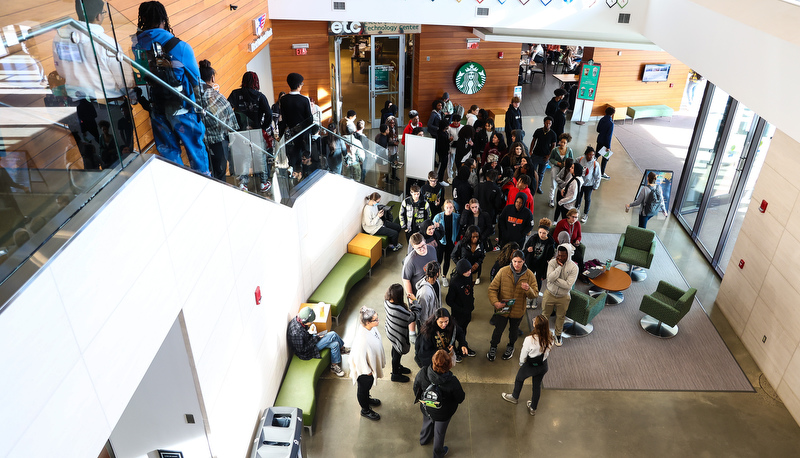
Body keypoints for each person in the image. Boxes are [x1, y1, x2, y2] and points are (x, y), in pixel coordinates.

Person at [134, 1, 209, 175]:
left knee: (168, 152)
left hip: (157, 108)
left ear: (143, 18)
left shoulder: (137, 46)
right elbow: (197, 82)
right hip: (183, 109)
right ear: (163, 19)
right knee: (195, 150)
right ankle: (205, 183)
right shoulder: (180, 47)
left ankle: (177, 185)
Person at [413, 349, 465, 458]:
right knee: (439, 433)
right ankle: (438, 453)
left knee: (427, 422)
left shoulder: (423, 372)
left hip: (426, 407)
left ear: (433, 361)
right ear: (449, 365)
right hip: (443, 414)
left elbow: (416, 387)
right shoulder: (452, 381)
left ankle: (424, 439)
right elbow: (460, 398)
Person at [487, 250, 538, 361]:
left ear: (524, 261)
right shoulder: (503, 271)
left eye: (519, 262)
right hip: (503, 306)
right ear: (511, 260)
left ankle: (510, 346)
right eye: (515, 261)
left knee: (513, 331)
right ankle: (493, 346)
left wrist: (528, 289)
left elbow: (535, 294)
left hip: (518, 309)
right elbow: (492, 288)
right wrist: (495, 302)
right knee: (498, 330)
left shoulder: (529, 275)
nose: (516, 264)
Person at [228, 71, 273, 190]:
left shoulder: (235, 93)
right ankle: (263, 183)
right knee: (260, 157)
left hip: (240, 132)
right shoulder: (260, 96)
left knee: (244, 157)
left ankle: (243, 183)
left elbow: (227, 109)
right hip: (256, 132)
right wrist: (263, 127)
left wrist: (233, 126)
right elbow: (269, 113)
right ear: (256, 82)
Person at [501, 314, 553, 416]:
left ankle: (514, 397)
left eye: (535, 321)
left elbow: (523, 354)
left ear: (536, 326)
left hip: (530, 366)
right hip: (543, 365)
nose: (533, 321)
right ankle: (533, 408)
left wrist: (521, 363)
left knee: (519, 379)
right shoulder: (550, 337)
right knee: (537, 386)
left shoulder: (530, 339)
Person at [198, 60, 238, 181]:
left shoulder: (194, 95)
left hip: (200, 141)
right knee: (220, 175)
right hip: (219, 142)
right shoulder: (217, 97)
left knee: (205, 173)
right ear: (213, 78)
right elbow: (231, 121)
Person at [286, 306, 348, 377]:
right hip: (307, 352)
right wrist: (317, 338)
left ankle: (334, 365)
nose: (311, 323)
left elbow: (305, 334)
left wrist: (312, 333)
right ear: (305, 321)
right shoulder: (296, 333)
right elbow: (303, 350)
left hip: (310, 340)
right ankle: (342, 349)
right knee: (333, 334)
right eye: (310, 322)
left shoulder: (298, 319)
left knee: (335, 344)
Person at [350, 306, 386, 421]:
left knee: (367, 389)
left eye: (377, 318)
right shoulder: (362, 340)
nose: (378, 320)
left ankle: (367, 399)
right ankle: (365, 410)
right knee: (363, 390)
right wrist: (368, 372)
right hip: (365, 372)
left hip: (370, 368)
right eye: (375, 319)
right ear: (367, 322)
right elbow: (359, 359)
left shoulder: (370, 328)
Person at [541, 244, 579, 346]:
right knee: (545, 315)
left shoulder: (574, 268)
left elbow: (568, 285)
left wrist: (554, 279)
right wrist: (559, 267)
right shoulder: (553, 263)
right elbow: (549, 278)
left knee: (560, 317)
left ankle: (558, 335)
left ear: (569, 255)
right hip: (550, 293)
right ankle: (542, 334)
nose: (561, 258)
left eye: (564, 256)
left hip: (564, 296)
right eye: (560, 255)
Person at [280, 72, 313, 179]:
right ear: (299, 85)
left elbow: (283, 119)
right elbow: (309, 119)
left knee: (293, 154)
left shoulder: (283, 99)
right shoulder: (304, 99)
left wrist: (280, 135)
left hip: (290, 133)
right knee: (303, 154)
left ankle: (292, 170)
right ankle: (302, 175)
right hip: (303, 134)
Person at [384, 284, 420, 383]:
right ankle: (395, 374)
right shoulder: (400, 311)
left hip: (391, 331)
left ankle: (398, 367)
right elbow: (415, 315)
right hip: (398, 335)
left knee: (395, 349)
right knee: (397, 353)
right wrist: (414, 300)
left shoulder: (387, 301)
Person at [446, 259, 477, 357]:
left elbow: (470, 290)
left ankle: (463, 347)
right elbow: (449, 300)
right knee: (455, 333)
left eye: (469, 270)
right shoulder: (454, 282)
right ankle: (454, 351)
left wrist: (472, 302)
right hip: (458, 314)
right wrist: (461, 309)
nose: (469, 272)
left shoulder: (469, 275)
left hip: (467, 311)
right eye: (466, 271)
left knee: (463, 330)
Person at [524, 218, 556, 300]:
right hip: (531, 262)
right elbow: (525, 248)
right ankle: (528, 294)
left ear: (548, 233)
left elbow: (550, 258)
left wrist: (545, 273)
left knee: (538, 280)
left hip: (541, 264)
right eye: (540, 232)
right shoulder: (533, 238)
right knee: (529, 278)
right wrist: (528, 249)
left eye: (544, 233)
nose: (541, 235)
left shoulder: (550, 243)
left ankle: (535, 295)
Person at [433, 200, 460, 285]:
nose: (449, 209)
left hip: (450, 242)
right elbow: (432, 228)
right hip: (441, 242)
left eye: (451, 207)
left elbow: (463, 220)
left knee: (447, 259)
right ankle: (436, 276)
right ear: (444, 207)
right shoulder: (438, 217)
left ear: (453, 208)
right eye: (447, 207)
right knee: (439, 260)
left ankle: (444, 276)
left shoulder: (456, 217)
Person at [529, 116, 558, 193]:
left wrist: (549, 155)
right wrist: (530, 151)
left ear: (551, 124)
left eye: (549, 123)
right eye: (546, 123)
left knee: (541, 173)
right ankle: (532, 186)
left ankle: (538, 187)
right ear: (544, 123)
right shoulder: (538, 131)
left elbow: (553, 145)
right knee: (532, 171)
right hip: (535, 155)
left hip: (544, 157)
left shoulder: (553, 134)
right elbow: (533, 140)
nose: (548, 125)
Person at [403, 232, 438, 296]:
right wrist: (412, 299)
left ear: (425, 241)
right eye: (418, 248)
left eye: (423, 245)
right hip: (419, 292)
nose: (422, 249)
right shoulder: (410, 261)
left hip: (432, 285)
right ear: (413, 247)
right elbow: (406, 280)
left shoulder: (432, 249)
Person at [576, 146, 602, 223]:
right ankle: (576, 210)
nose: (591, 156)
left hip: (589, 185)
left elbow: (598, 176)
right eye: (590, 154)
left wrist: (596, 186)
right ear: (586, 154)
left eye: (593, 155)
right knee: (578, 197)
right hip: (580, 183)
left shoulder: (595, 164)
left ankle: (585, 214)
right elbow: (575, 165)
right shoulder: (580, 159)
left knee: (587, 199)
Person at [548, 133, 574, 208]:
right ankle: (551, 199)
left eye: (564, 143)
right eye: (561, 142)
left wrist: (568, 165)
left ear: (567, 143)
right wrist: (557, 163)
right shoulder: (555, 150)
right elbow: (551, 159)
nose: (562, 144)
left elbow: (571, 159)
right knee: (553, 183)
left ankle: (563, 199)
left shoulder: (569, 150)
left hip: (565, 169)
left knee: (565, 184)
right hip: (556, 167)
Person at [415, 261, 443, 327]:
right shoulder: (424, 293)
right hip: (428, 324)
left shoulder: (436, 281)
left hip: (434, 318)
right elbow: (423, 314)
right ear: (437, 273)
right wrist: (426, 328)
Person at [596, 106, 615, 180]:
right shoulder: (611, 123)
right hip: (605, 143)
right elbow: (609, 136)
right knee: (605, 158)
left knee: (596, 155)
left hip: (599, 140)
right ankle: (602, 173)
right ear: (612, 114)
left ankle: (591, 168)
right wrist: (608, 146)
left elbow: (598, 130)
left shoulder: (601, 119)